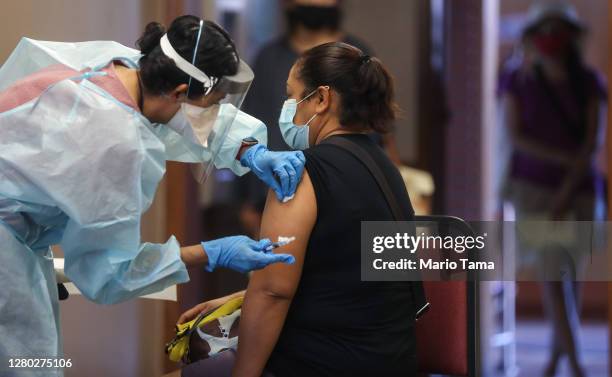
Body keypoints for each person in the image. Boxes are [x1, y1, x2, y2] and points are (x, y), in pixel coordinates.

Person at [0, 16, 304, 376]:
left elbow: (184, 116)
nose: (213, 115)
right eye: (213, 104)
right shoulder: (115, 142)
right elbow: (109, 274)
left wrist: (248, 150)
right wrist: (210, 252)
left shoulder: (119, 66)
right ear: (178, 92)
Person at [179, 42, 422, 377]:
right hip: (391, 361)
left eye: (292, 95)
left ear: (321, 99)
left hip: (321, 362)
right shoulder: (385, 168)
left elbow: (274, 291)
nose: (287, 108)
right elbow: (349, 279)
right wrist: (243, 296)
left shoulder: (298, 171)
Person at [498, 3, 607, 377]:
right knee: (551, 275)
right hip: (533, 189)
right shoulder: (518, 80)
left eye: (556, 29)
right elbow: (515, 137)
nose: (549, 37)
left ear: (571, 36)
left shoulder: (590, 81)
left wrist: (567, 182)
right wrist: (567, 161)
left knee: (572, 276)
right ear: (530, 36)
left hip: (579, 192)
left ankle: (558, 359)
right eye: (542, 29)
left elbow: (594, 141)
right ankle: (575, 363)